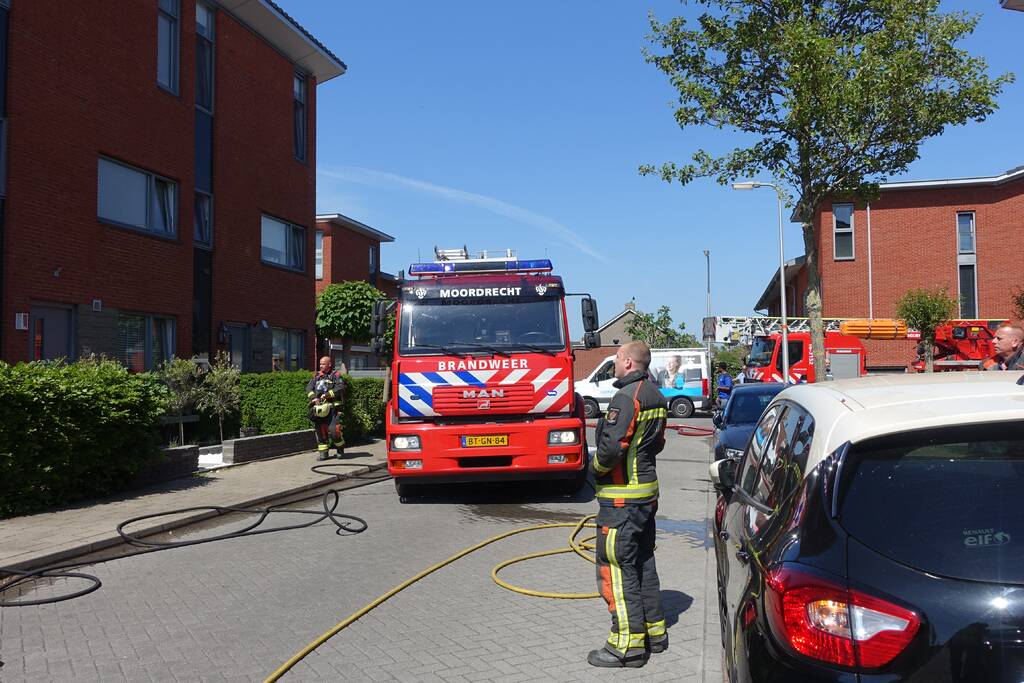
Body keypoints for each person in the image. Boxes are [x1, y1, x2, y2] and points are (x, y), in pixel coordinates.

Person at [588, 341, 667, 668]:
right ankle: (655, 634)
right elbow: (657, 444)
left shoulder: (626, 397)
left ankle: (627, 647)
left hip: (622, 499)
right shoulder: (657, 396)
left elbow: (611, 449)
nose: (615, 365)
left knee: (616, 569)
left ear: (630, 364)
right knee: (643, 563)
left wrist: (593, 472)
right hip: (646, 496)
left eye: (618, 359)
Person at [306, 356, 346, 461]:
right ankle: (324, 453)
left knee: (334, 431)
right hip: (319, 409)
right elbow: (309, 388)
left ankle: (340, 449)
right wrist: (313, 398)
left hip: (332, 409)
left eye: (323, 364)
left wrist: (327, 394)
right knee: (320, 431)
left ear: (329, 364)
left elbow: (341, 387)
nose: (321, 366)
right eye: (320, 364)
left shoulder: (335, 375)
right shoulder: (316, 376)